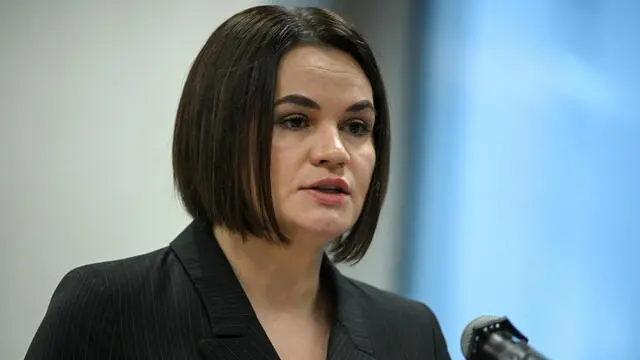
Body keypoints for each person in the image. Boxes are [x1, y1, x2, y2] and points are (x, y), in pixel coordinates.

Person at [25, 5, 451, 360]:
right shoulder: (109, 308)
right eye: (295, 120)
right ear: (220, 134)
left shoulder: (411, 334)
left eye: (356, 126)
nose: (335, 151)